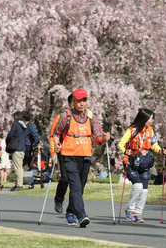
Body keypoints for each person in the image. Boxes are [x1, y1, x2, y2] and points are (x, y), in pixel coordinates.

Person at [53, 88, 110, 227]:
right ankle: (82, 215)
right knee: (75, 186)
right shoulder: (65, 116)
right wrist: (56, 144)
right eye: (79, 100)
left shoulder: (91, 117)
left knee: (80, 187)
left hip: (85, 156)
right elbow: (56, 133)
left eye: (84, 100)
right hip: (69, 155)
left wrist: (104, 138)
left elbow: (98, 137)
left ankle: (70, 212)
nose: (82, 103)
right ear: (73, 101)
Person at [118, 108, 166, 223]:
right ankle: (130, 210)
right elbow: (121, 143)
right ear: (144, 118)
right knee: (138, 186)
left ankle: (138, 212)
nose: (152, 121)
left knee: (144, 190)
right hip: (132, 162)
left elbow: (154, 144)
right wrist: (126, 152)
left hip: (144, 162)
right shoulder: (131, 130)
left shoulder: (150, 130)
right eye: (150, 118)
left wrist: (161, 151)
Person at [51, 94, 73, 214]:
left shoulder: (84, 118)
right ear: (70, 104)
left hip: (77, 152)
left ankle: (74, 206)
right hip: (63, 151)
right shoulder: (60, 117)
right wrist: (53, 150)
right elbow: (53, 135)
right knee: (65, 178)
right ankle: (59, 199)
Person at [6, 111, 27, 191]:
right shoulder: (24, 125)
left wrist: (7, 140)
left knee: (17, 167)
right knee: (20, 167)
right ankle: (19, 183)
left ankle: (19, 185)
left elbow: (11, 134)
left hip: (16, 148)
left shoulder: (16, 124)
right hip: (22, 149)